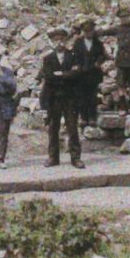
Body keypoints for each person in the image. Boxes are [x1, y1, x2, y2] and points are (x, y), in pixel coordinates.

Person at [39, 35, 84, 168]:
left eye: (62, 40)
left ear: (66, 41)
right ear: (52, 42)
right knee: (53, 128)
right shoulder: (48, 58)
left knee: (72, 128)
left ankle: (75, 158)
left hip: (70, 98)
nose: (59, 43)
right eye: (56, 40)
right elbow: (48, 77)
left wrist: (60, 74)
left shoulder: (73, 56)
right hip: (54, 98)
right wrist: (67, 74)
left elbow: (77, 74)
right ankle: (53, 157)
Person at [74, 19, 108, 128]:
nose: (88, 33)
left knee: (92, 96)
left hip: (94, 73)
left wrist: (98, 62)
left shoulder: (98, 43)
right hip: (81, 74)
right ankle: (83, 118)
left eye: (90, 31)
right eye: (86, 31)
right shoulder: (78, 42)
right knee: (81, 96)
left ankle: (92, 117)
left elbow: (102, 55)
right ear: (83, 32)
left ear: (93, 31)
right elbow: (75, 56)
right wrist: (78, 66)